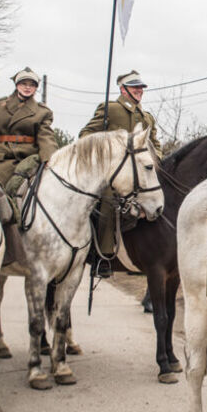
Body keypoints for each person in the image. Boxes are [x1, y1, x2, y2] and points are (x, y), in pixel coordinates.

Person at [78, 70, 162, 278]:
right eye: (135, 87)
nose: (139, 91)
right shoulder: (111, 109)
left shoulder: (146, 117)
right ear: (123, 89)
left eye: (141, 88)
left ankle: (149, 254)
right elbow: (86, 135)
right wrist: (112, 150)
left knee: (155, 200)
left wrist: (154, 158)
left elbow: (156, 144)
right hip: (112, 173)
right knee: (107, 201)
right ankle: (103, 256)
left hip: (139, 174)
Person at [0, 67, 58, 187]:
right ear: (17, 85)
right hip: (3, 157)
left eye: (32, 85)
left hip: (28, 158)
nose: (27, 87)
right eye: (24, 84)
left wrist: (50, 159)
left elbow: (46, 137)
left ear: (36, 88)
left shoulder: (42, 112)